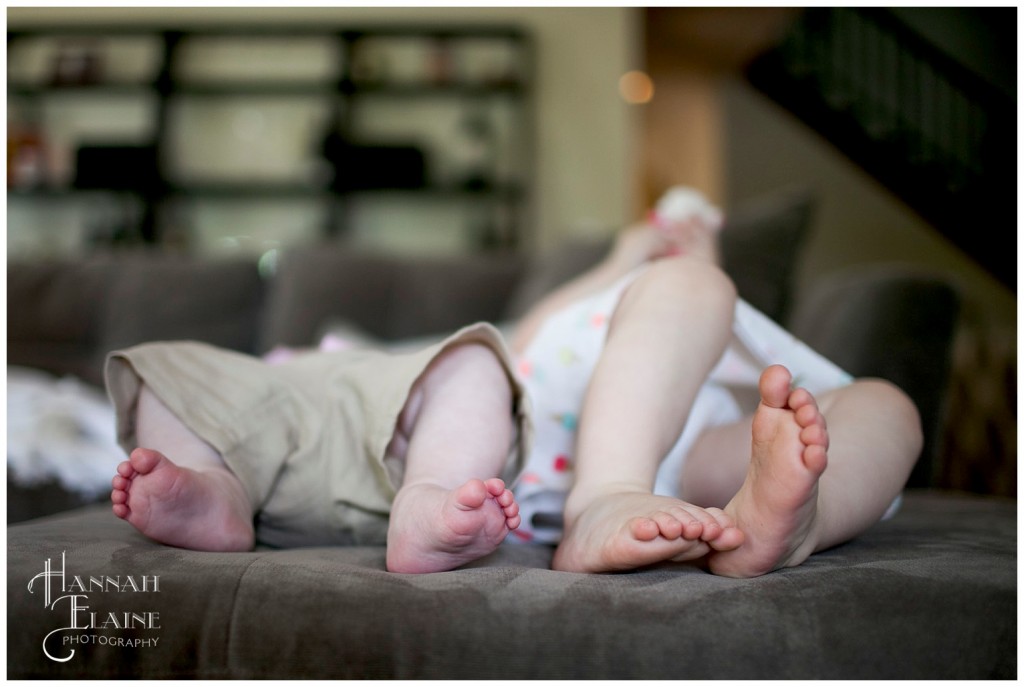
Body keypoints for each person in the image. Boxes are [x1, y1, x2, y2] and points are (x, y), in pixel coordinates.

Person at [108, 195, 922, 577]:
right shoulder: (557, 330)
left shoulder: (698, 320)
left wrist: (698, 265)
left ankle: (789, 522)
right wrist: (626, 259)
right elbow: (521, 337)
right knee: (166, 363)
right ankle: (212, 485)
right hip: (513, 436)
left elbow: (695, 316)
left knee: (891, 408)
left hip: (686, 464)